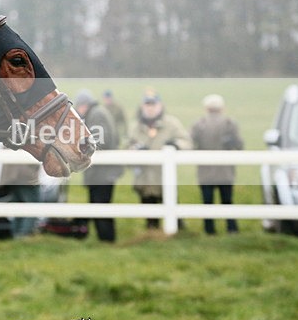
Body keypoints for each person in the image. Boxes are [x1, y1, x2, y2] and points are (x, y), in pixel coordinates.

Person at [128, 89, 192, 230]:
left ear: (160, 106)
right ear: (142, 106)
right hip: (144, 178)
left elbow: (186, 141)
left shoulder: (172, 124)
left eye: (153, 104)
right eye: (147, 105)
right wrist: (136, 150)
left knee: (172, 207)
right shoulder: (136, 126)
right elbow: (127, 146)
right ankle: (152, 233)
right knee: (149, 211)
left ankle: (178, 232)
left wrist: (175, 145)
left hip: (164, 175)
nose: (150, 108)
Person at [191, 94, 244, 234]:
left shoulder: (199, 124)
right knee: (227, 200)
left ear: (206, 108)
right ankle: (231, 228)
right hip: (225, 171)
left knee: (207, 202)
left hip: (205, 171)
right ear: (222, 108)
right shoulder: (229, 123)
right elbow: (239, 145)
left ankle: (209, 230)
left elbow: (191, 144)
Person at [77, 90, 122, 242]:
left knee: (100, 205)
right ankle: (104, 239)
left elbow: (102, 140)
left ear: (84, 105)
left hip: (102, 172)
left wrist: (81, 145)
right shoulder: (98, 112)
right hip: (102, 171)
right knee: (99, 205)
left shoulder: (96, 114)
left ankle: (107, 239)